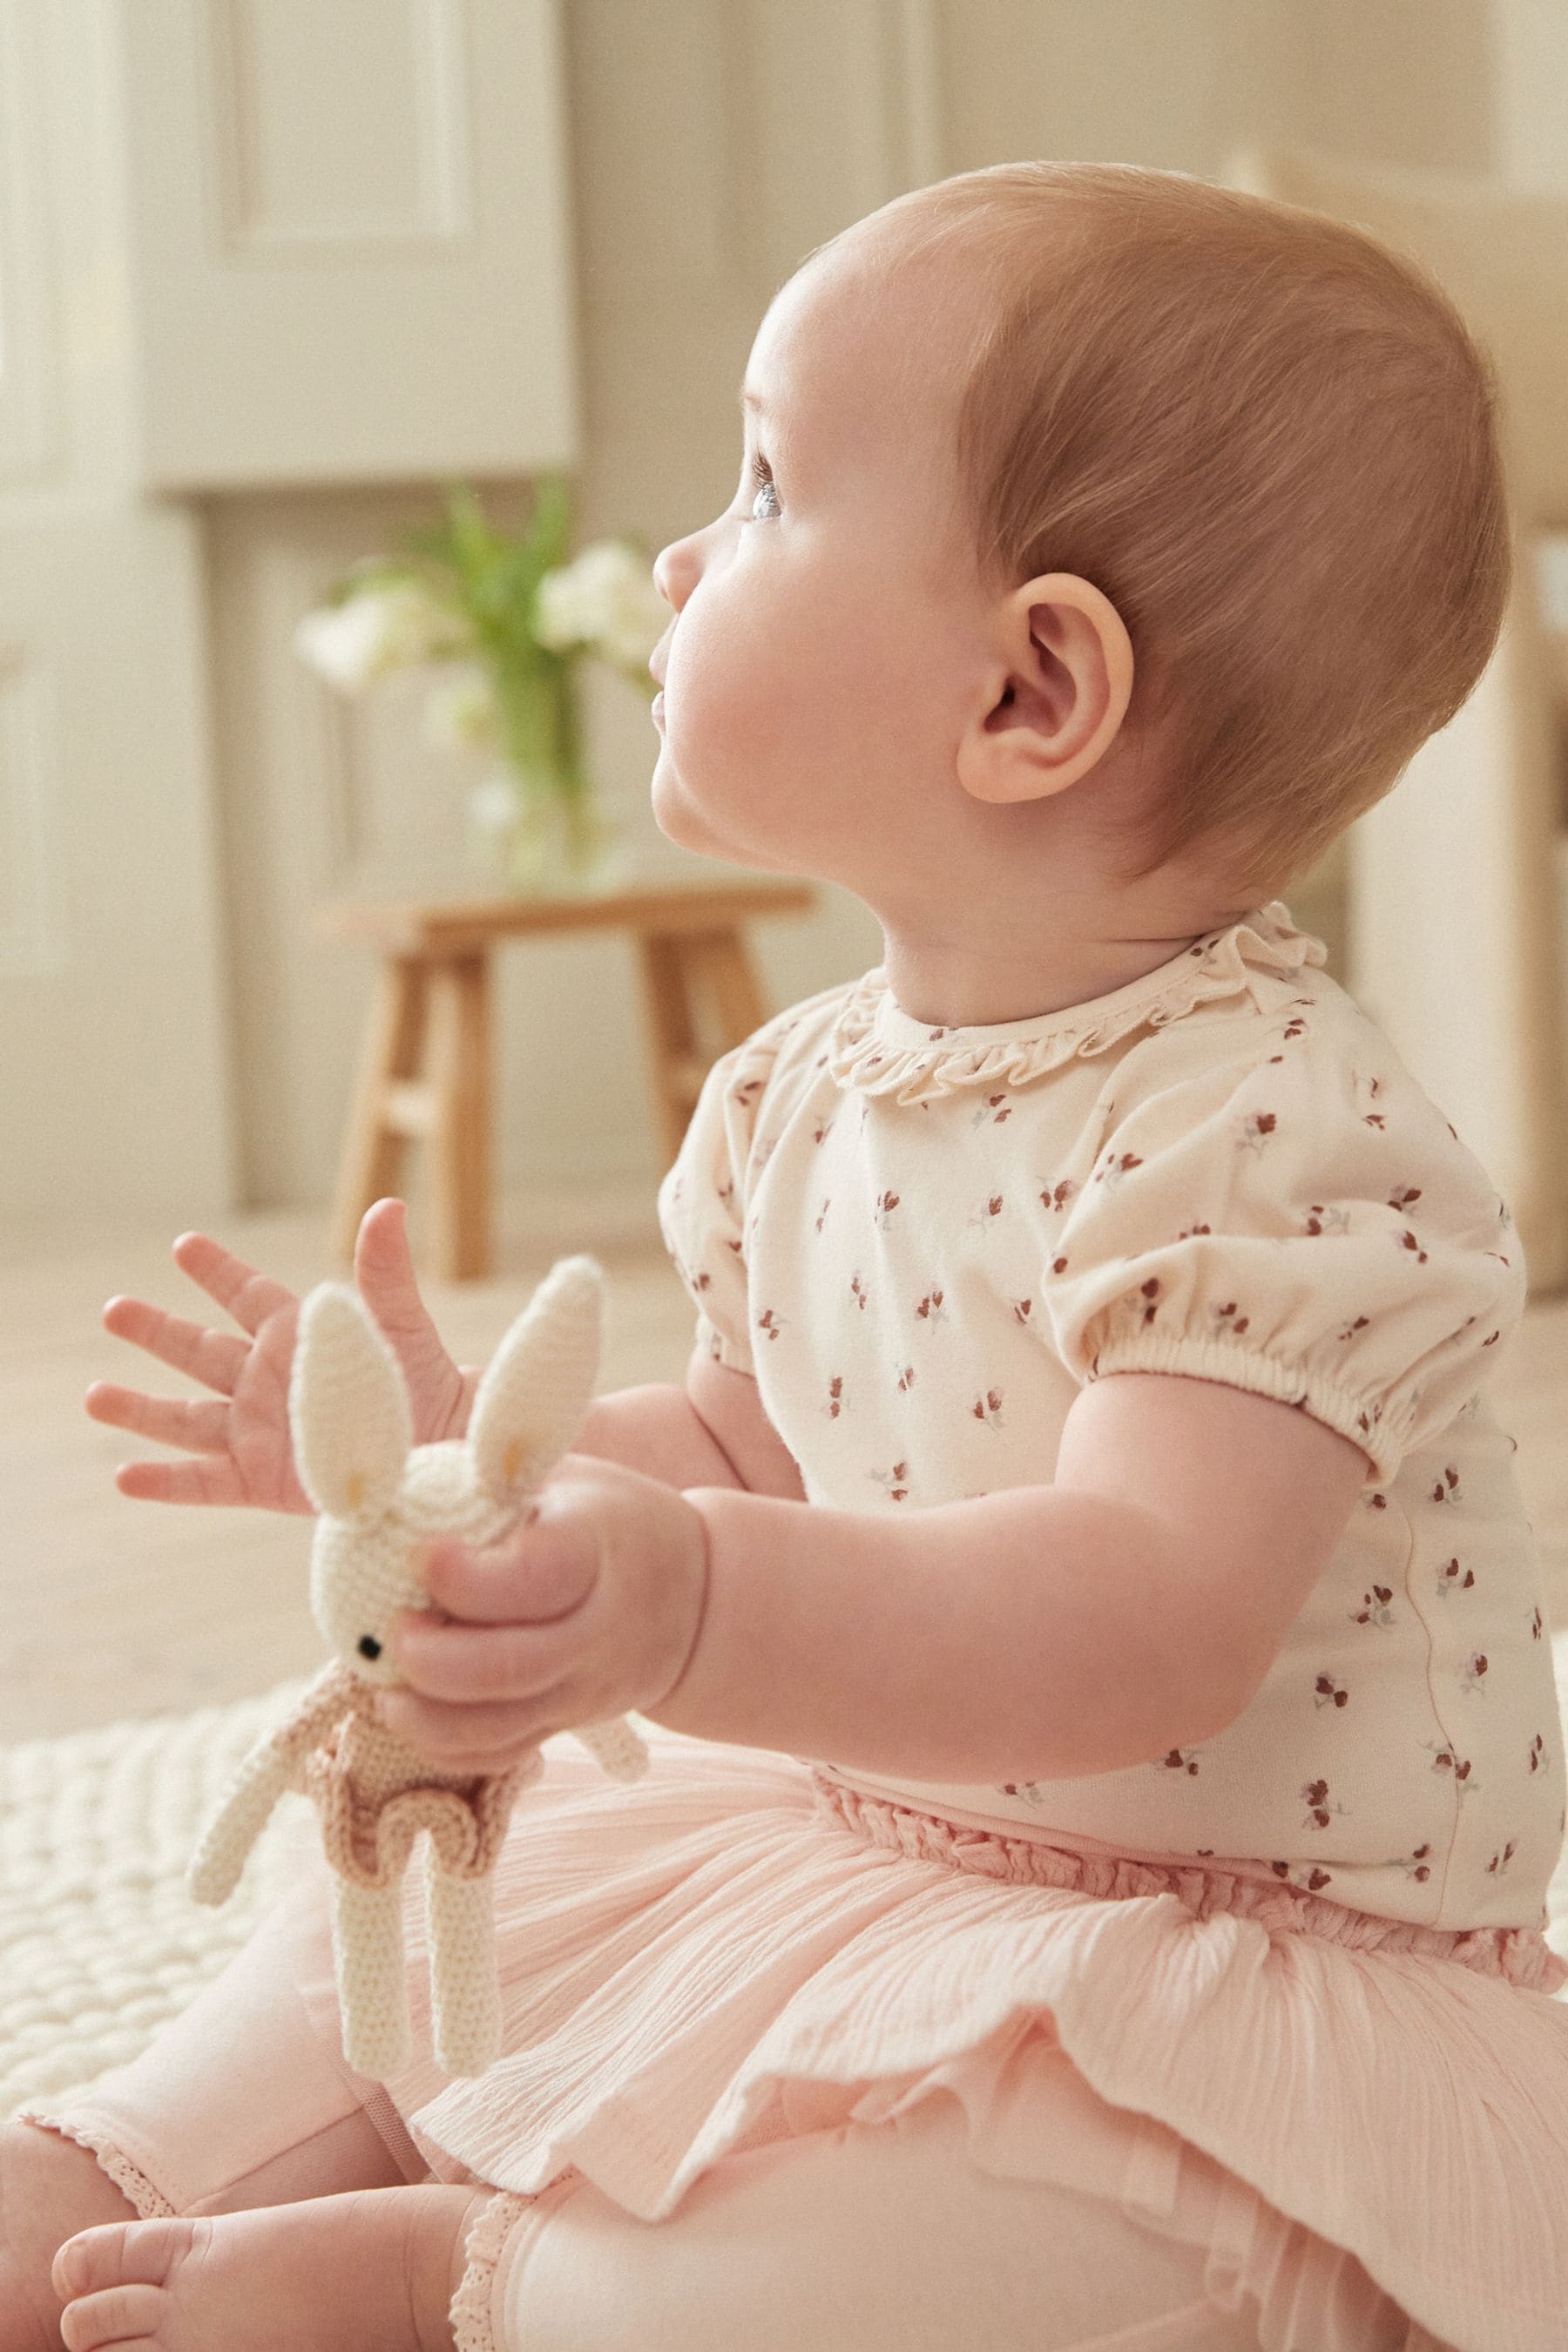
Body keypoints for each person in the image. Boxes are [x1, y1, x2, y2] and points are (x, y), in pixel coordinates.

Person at [5, 159, 1565, 2352]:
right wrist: (495, 1493)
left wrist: (685, 1601)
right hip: (878, 1844)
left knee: (969, 2254)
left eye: (758, 486)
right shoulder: (807, 1088)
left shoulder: (1278, 1142)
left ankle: (484, 2282)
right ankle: (127, 2160)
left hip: (1218, 1963)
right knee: (459, 1894)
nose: (674, 554)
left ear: (1034, 693)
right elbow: (760, 1432)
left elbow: (1140, 1624)